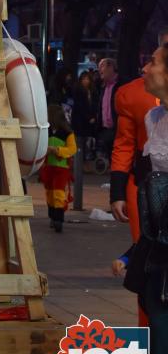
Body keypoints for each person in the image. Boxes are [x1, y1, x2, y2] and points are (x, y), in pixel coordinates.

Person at [124, 42, 168, 354]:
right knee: (159, 338)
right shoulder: (155, 118)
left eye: (153, 62)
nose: (145, 67)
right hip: (158, 250)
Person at [110, 30, 168, 242]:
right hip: (146, 187)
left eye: (153, 62)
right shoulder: (139, 102)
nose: (145, 68)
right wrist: (117, 191)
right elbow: (124, 144)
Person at [39, 103, 76, 233]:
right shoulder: (45, 131)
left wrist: (57, 150)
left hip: (61, 168)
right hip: (48, 167)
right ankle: (53, 216)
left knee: (58, 193)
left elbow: (72, 149)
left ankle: (58, 219)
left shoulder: (67, 133)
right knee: (49, 192)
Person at [71, 71, 99, 163]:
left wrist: (94, 116)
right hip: (80, 120)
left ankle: (86, 160)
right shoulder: (78, 91)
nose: (86, 81)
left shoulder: (93, 91)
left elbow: (95, 105)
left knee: (88, 142)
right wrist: (88, 117)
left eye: (87, 79)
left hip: (90, 120)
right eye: (84, 79)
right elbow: (79, 107)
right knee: (79, 141)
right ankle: (79, 161)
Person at [96, 57, 119, 162]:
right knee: (111, 160)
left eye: (102, 66)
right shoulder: (103, 87)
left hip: (118, 130)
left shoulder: (121, 85)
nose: (99, 69)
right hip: (106, 131)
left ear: (111, 67)